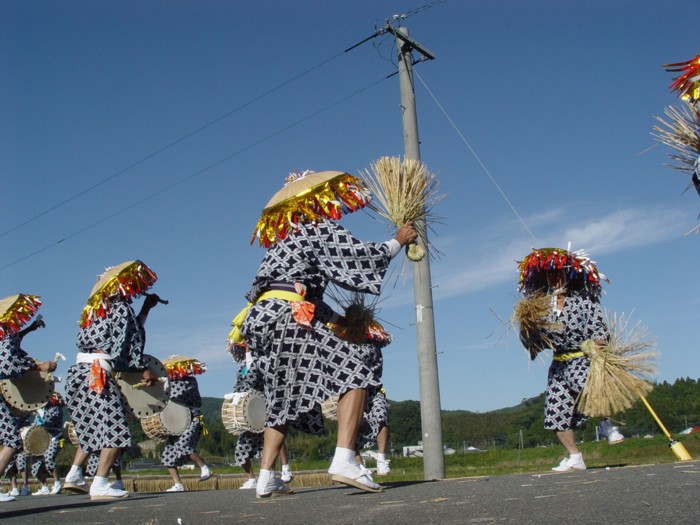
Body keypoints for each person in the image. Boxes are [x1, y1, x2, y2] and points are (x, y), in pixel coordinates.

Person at [232, 170, 416, 497]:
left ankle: (265, 478)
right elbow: (360, 258)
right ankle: (345, 458)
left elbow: (303, 296)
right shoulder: (315, 227)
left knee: (283, 394)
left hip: (264, 318)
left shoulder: (280, 242)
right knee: (359, 360)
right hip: (291, 316)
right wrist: (397, 241)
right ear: (316, 201)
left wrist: (341, 320)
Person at [516, 247, 622, 472]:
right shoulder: (542, 307)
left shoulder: (584, 301)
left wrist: (595, 343)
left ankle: (606, 424)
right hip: (559, 365)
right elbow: (536, 342)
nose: (555, 279)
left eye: (559, 274)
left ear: (567, 275)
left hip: (581, 358)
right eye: (550, 275)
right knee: (556, 412)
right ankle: (575, 456)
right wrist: (526, 329)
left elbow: (599, 330)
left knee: (589, 388)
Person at [64, 261, 162, 500]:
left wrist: (145, 309)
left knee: (92, 427)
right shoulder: (119, 308)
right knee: (116, 429)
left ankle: (74, 475)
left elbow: (126, 333)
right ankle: (99, 483)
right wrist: (143, 369)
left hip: (77, 373)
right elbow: (127, 344)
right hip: (96, 374)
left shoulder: (93, 309)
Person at [0, 295, 57, 502]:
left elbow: (14, 343)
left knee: (10, 440)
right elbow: (8, 365)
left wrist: (31, 329)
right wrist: (38, 367)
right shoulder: (5, 333)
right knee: (12, 440)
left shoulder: (5, 332)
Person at [159, 355, 212, 492]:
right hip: (177, 422)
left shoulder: (189, 382)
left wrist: (164, 384)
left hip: (193, 420)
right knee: (168, 453)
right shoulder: (170, 382)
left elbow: (177, 394)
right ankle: (178, 484)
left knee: (184, 446)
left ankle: (205, 468)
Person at [29, 392, 65, 496]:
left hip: (54, 437)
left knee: (49, 459)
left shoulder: (56, 409)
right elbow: (36, 424)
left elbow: (47, 420)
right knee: (36, 463)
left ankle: (57, 482)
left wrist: (38, 409)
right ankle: (44, 486)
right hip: (41, 439)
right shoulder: (41, 411)